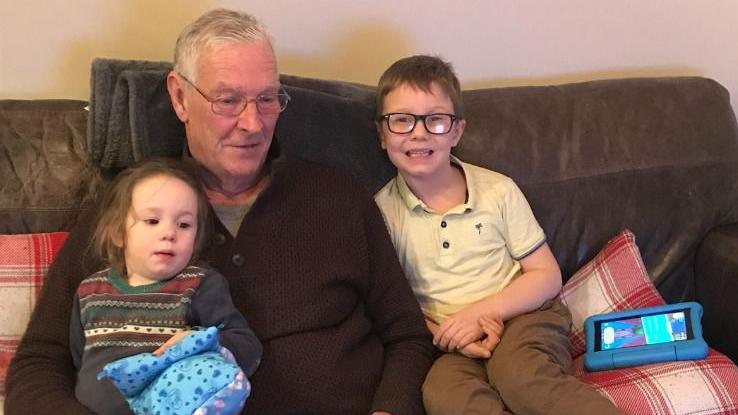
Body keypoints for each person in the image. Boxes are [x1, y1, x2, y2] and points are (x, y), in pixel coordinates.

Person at [5, 9, 434, 415]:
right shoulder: (132, 207)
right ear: (179, 97)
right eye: (228, 100)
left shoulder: (337, 196)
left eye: (266, 99)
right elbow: (39, 363)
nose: (253, 123)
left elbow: (407, 336)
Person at [373, 55, 620, 415]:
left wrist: (483, 313)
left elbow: (546, 275)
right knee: (444, 394)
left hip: (523, 316)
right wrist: (450, 335)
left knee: (519, 375)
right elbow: (393, 306)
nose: (419, 132)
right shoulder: (379, 213)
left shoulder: (497, 192)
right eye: (402, 120)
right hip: (451, 343)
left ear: (456, 130)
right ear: (382, 134)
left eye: (436, 119)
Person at [70, 158, 261, 414]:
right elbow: (77, 359)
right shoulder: (90, 292)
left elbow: (247, 345)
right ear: (118, 232)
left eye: (184, 225)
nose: (169, 233)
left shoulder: (199, 285)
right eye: (152, 221)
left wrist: (201, 343)